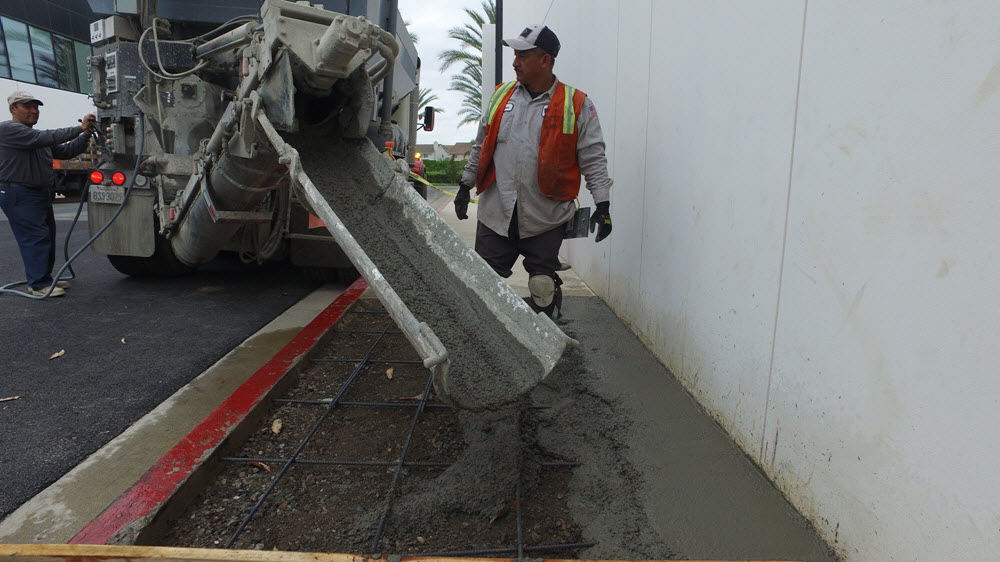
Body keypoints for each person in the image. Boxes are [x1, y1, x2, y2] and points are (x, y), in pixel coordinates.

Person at [455, 24, 613, 318]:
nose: (515, 62)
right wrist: (465, 185)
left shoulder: (576, 103)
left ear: (545, 60)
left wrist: (602, 204)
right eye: (515, 55)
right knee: (480, 288)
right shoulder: (500, 95)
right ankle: (486, 347)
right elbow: (481, 145)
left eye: (523, 55)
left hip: (545, 218)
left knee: (542, 288)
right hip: (496, 214)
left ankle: (544, 346)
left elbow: (593, 157)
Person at [0, 90, 94, 297]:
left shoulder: (36, 139)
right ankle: (38, 284)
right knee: (35, 238)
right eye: (27, 106)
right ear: (13, 109)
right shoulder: (9, 129)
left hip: (38, 194)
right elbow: (46, 137)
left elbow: (67, 151)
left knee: (46, 237)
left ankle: (44, 277)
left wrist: (85, 135)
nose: (34, 111)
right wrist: (79, 127)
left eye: (36, 107)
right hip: (19, 193)